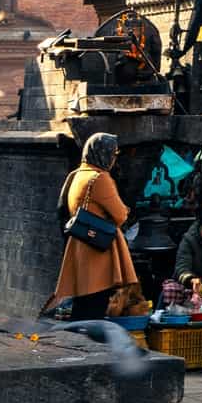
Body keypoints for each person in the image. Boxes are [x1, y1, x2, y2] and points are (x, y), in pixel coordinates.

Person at [50, 133, 137, 322]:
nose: (114, 159)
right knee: (94, 305)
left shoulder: (78, 174)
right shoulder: (100, 178)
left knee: (84, 303)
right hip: (98, 249)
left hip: (82, 243)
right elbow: (120, 215)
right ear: (102, 153)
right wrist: (125, 209)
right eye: (112, 154)